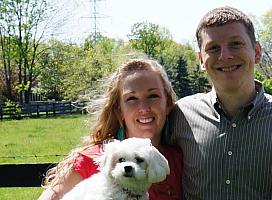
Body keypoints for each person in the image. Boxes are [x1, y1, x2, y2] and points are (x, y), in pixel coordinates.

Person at [169, 6, 272, 200]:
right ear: (200, 60)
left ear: (256, 52)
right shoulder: (179, 116)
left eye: (236, 44)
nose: (225, 56)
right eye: (213, 48)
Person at [38, 59, 183, 200]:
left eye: (153, 96)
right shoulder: (89, 160)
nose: (144, 108)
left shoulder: (180, 161)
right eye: (131, 98)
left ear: (168, 104)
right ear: (119, 110)